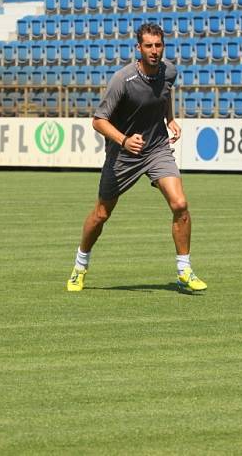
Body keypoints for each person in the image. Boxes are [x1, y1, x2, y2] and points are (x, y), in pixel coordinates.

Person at [67, 23, 207, 294]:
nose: (154, 51)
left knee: (180, 204)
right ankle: (79, 266)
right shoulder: (123, 79)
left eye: (158, 45)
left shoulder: (170, 72)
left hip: (156, 148)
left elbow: (165, 93)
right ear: (138, 48)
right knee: (101, 214)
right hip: (123, 155)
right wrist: (124, 140)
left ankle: (184, 271)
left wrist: (170, 118)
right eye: (149, 46)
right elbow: (98, 121)